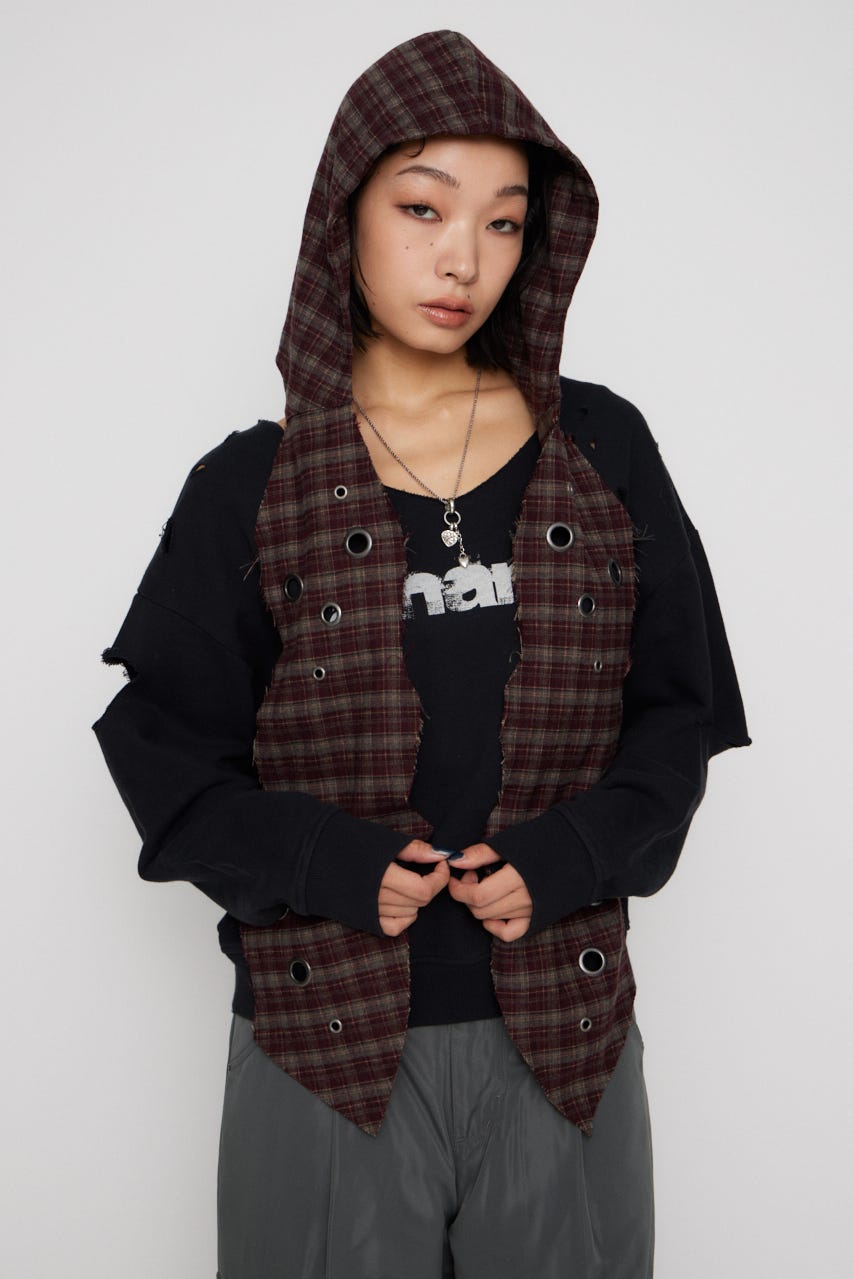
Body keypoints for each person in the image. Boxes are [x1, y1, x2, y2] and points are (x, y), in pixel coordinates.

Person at [94, 29, 750, 1279]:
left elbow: (680, 714)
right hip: (320, 1049)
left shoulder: (603, 450)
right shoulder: (251, 486)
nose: (464, 259)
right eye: (422, 208)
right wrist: (326, 862)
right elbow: (164, 757)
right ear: (343, 215)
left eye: (504, 223)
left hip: (565, 1038)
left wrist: (568, 854)